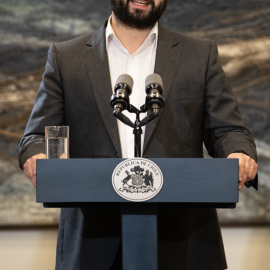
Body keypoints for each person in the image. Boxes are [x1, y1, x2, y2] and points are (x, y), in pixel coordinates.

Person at [19, 0, 258, 269]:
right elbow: (36, 136)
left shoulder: (199, 55)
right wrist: (37, 156)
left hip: (183, 240)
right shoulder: (66, 57)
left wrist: (239, 152)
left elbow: (228, 130)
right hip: (92, 242)